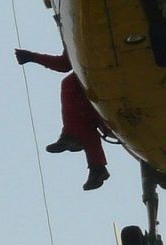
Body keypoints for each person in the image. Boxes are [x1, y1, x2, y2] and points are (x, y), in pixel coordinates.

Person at [15, 47, 110, 190]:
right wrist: (32, 57)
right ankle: (96, 167)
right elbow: (66, 62)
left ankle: (76, 140)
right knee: (84, 116)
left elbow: (65, 64)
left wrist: (32, 57)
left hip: (111, 71)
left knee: (71, 84)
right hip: (105, 82)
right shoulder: (70, 27)